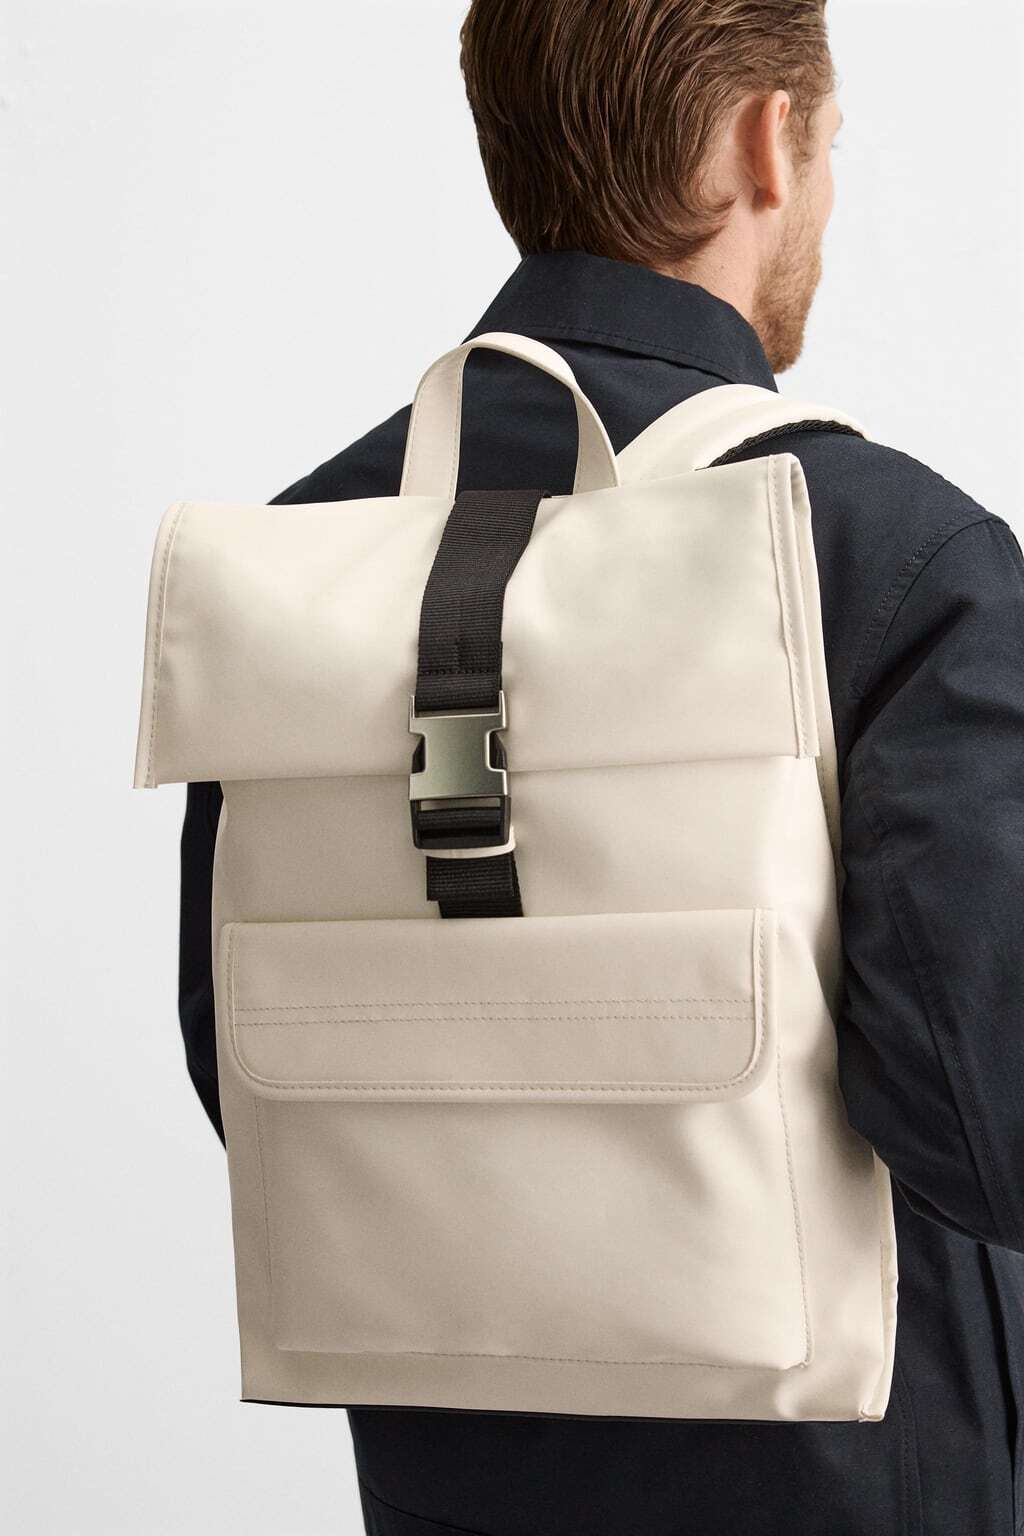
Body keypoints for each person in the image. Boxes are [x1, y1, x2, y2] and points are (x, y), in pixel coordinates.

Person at [178, 2, 1024, 1531]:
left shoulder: (308, 561)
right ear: (769, 142)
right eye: (829, 145)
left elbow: (241, 1068)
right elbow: (991, 1116)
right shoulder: (887, 555)